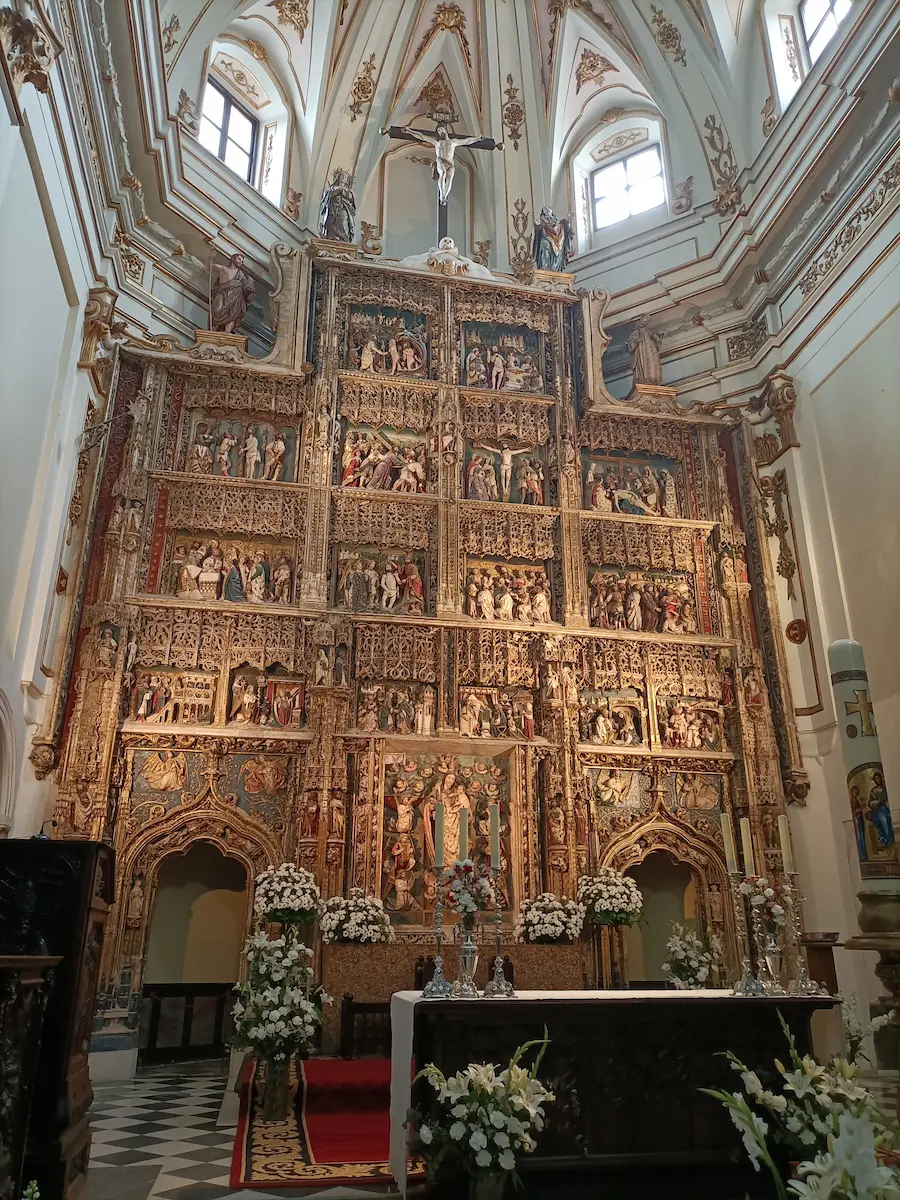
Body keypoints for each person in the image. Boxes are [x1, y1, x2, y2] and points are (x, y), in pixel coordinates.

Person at [209, 252, 255, 334]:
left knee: (234, 313)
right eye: (239, 259)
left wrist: (250, 283)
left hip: (235, 298)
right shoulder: (224, 269)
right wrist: (210, 258)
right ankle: (213, 330)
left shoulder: (241, 275)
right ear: (233, 259)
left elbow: (246, 288)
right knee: (217, 311)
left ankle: (227, 332)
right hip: (222, 294)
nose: (241, 262)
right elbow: (211, 266)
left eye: (242, 261)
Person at [319, 168, 356, 242]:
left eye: (345, 177)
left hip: (343, 209)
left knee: (343, 221)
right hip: (332, 210)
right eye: (342, 176)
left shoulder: (349, 191)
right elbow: (327, 195)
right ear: (338, 177)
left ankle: (344, 239)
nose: (343, 178)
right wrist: (338, 190)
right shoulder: (332, 188)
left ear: (347, 180)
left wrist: (340, 190)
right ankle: (331, 237)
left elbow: (351, 198)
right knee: (331, 224)